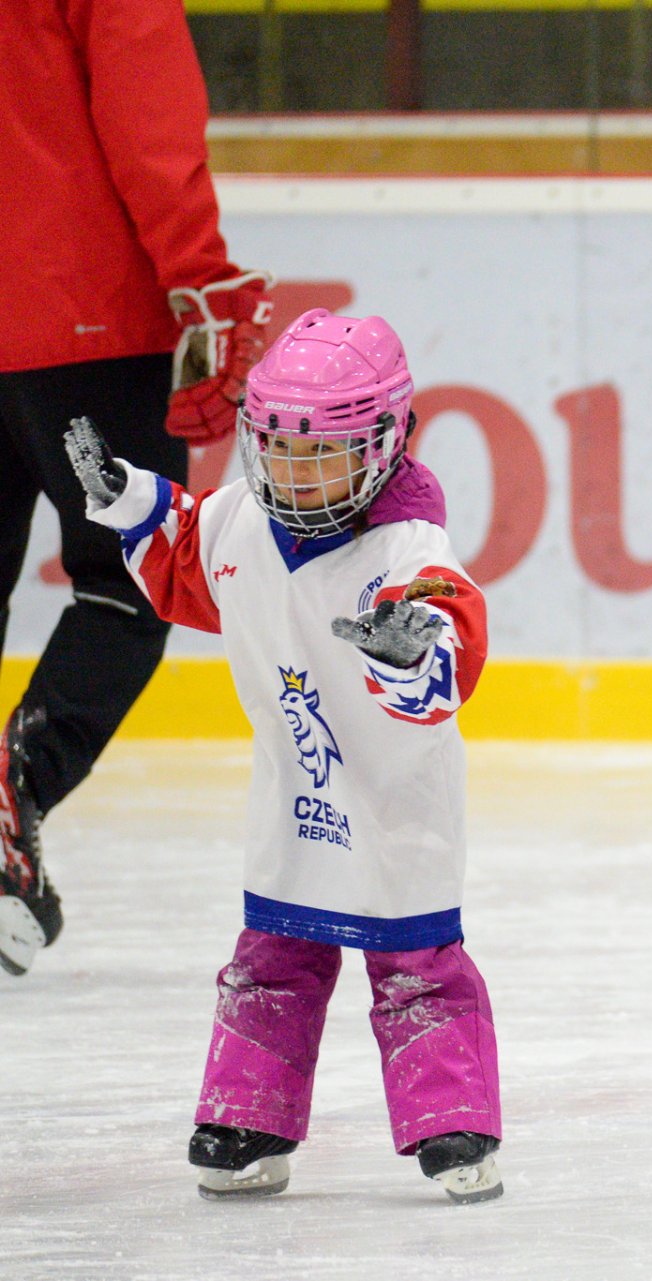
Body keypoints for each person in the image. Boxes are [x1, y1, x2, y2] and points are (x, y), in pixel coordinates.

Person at [63, 310, 504, 1204]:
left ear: (384, 447)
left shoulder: (407, 548)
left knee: (417, 963)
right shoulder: (241, 516)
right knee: (271, 958)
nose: (297, 473)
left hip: (394, 801)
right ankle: (247, 1119)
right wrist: (128, 498)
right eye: (281, 451)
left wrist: (413, 650)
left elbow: (451, 633)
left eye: (323, 454)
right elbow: (192, 566)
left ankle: (453, 1122)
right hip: (294, 788)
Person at [0, 0, 273, 975]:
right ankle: (13, 792)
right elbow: (146, 119)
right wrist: (200, 279)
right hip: (88, 315)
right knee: (133, 578)